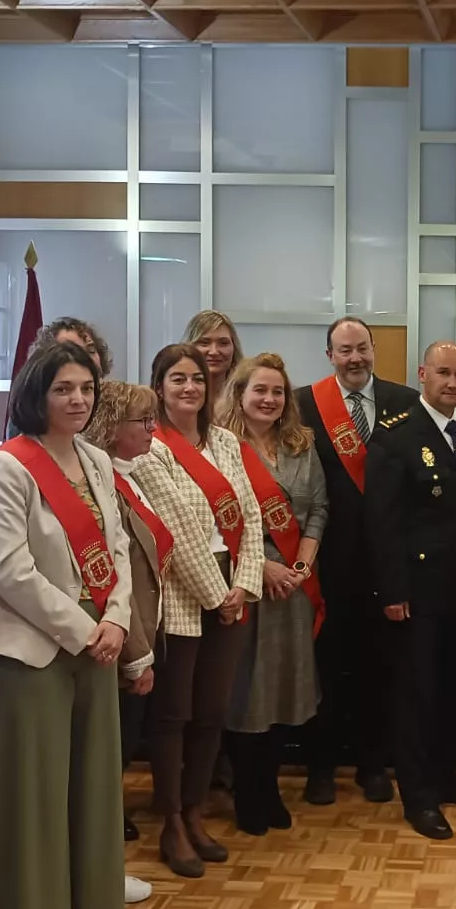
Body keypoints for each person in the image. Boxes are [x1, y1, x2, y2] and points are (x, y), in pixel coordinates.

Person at [0, 341, 132, 909]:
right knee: (32, 805)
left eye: (87, 389)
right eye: (64, 388)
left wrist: (118, 618)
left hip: (97, 649)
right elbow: (7, 571)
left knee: (89, 793)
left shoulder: (95, 460)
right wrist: (82, 628)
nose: (78, 399)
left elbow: (117, 548)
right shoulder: (4, 469)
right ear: (36, 394)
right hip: (32, 657)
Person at [134, 343, 263, 875]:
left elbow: (251, 515)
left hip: (231, 587)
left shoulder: (226, 442)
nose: (189, 388)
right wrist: (218, 597)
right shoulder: (150, 447)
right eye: (177, 379)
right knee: (174, 715)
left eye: (196, 380)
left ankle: (195, 811)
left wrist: (245, 585)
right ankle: (170, 822)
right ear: (159, 386)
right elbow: (178, 532)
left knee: (211, 713)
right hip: (184, 594)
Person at [365, 341, 456, 840]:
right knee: (417, 695)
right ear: (423, 373)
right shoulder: (396, 437)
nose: (453, 383)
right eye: (443, 372)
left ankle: (445, 777)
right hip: (418, 592)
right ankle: (417, 796)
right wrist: (393, 591)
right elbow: (383, 523)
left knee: (455, 691)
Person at [293, 317, 420, 805]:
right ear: (330, 356)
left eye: (362, 348)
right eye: (344, 351)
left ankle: (373, 765)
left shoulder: (406, 403)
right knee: (327, 668)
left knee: (381, 669)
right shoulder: (304, 404)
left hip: (388, 566)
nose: (355, 358)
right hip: (328, 563)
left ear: (374, 349)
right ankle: (321, 767)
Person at [220, 353, 328, 835]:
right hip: (246, 585)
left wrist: (300, 566)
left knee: (285, 688)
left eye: (278, 392)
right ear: (239, 394)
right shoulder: (221, 447)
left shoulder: (301, 444)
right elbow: (215, 520)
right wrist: (263, 567)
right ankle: (248, 791)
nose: (269, 399)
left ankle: (270, 786)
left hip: (293, 589)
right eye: (259, 390)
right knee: (247, 693)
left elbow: (319, 508)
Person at [81, 380, 170, 905]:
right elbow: (119, 580)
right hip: (118, 643)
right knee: (103, 764)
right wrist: (138, 654)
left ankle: (104, 869)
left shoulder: (128, 478)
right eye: (143, 421)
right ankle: (98, 875)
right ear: (112, 424)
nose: (152, 432)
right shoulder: (101, 483)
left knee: (114, 760)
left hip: (133, 637)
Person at [183, 309, 244, 426]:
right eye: (204, 343)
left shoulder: (246, 396)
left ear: (234, 348)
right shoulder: (176, 396)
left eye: (223, 343)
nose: (214, 351)